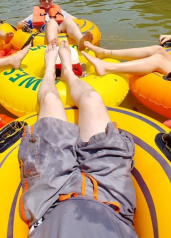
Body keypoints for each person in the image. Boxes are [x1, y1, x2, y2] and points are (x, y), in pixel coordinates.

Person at [19, 41, 138, 237]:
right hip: (113, 204)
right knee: (92, 98)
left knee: (50, 99)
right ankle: (67, 71)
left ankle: (52, 70)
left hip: (51, 201)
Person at [16, 0, 93, 51]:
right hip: (47, 27)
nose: (47, 2)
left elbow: (76, 19)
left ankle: (80, 41)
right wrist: (20, 24)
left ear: (52, 0)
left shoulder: (59, 11)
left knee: (69, 19)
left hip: (61, 27)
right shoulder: (35, 14)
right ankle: (53, 47)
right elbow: (19, 24)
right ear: (40, 1)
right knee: (52, 21)